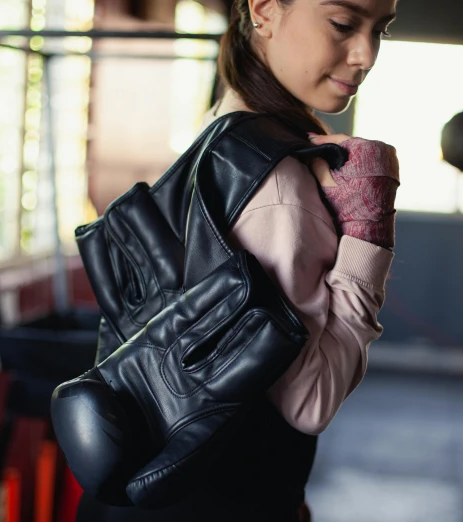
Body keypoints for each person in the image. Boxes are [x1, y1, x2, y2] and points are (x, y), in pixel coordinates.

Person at [76, 0, 399, 520]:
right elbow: (309, 402)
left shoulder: (218, 130)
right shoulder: (282, 184)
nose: (366, 54)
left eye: (380, 29)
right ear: (266, 11)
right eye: (343, 24)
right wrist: (370, 236)